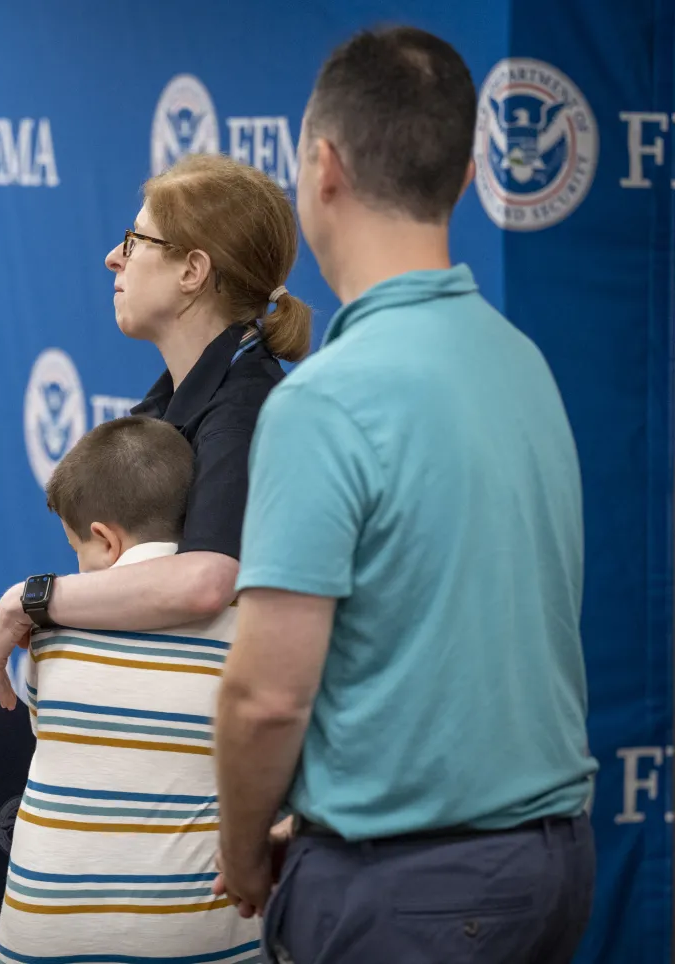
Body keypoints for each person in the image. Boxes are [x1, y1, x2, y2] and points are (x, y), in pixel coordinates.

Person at [212, 26, 597, 964]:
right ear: (467, 177)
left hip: (411, 890)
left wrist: (242, 854)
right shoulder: (523, 363)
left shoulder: (326, 398)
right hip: (549, 870)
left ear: (323, 164)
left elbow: (264, 697)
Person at [0, 152, 312, 706]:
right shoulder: (169, 406)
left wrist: (35, 599)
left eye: (135, 242)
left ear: (192, 271)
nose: (114, 258)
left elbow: (207, 580)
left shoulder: (247, 408)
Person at [0, 415, 263, 963]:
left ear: (105, 540)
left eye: (78, 551)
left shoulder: (50, 635)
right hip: (191, 934)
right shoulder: (251, 627)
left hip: (41, 929)